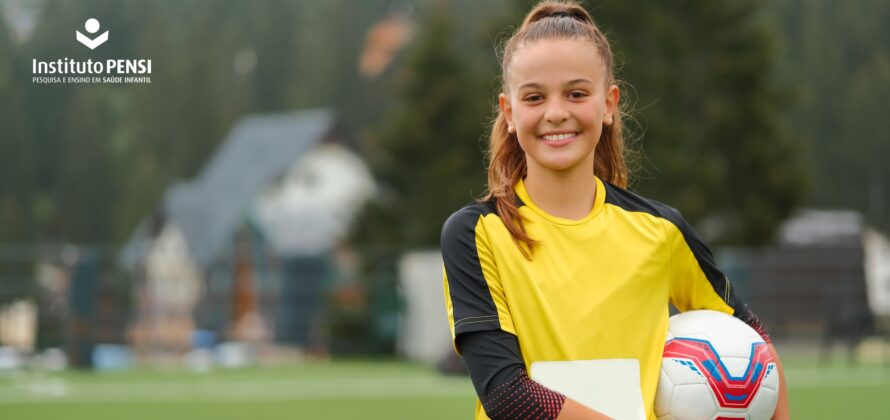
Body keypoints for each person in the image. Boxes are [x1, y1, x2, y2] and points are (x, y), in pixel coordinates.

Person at [439, 1, 791, 419]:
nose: (556, 113)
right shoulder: (475, 234)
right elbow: (507, 396)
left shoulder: (660, 230)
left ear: (608, 104)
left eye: (576, 93)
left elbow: (755, 340)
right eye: (534, 97)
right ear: (509, 112)